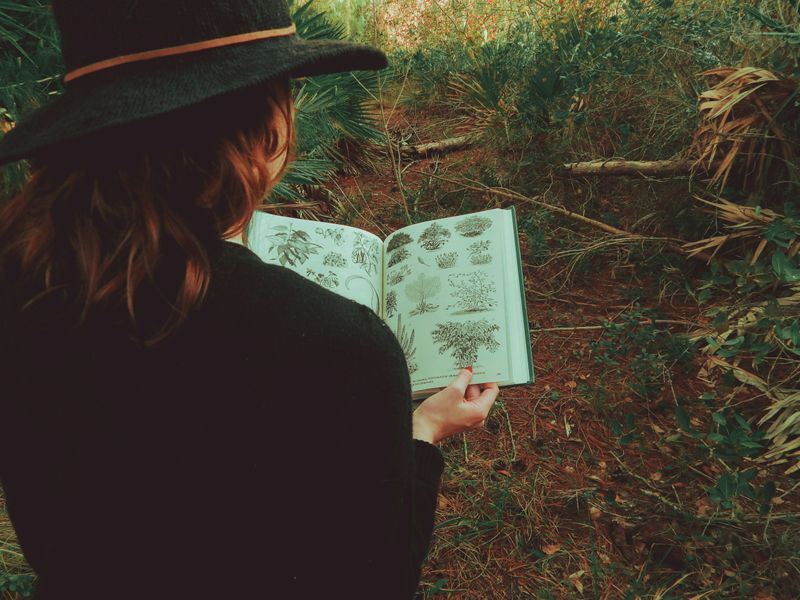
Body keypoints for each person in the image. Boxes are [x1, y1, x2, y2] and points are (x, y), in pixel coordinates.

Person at [0, 1, 500, 599]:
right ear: (265, 125)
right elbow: (376, 579)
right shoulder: (344, 349)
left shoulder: (20, 287)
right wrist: (420, 432)